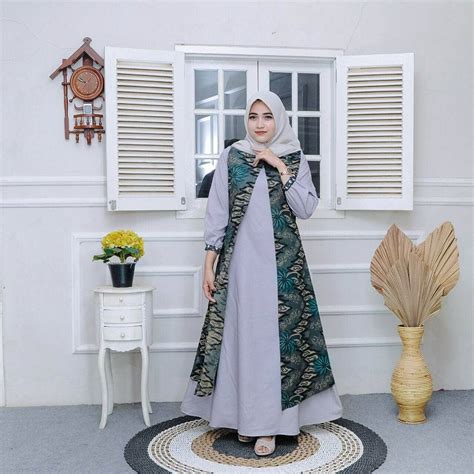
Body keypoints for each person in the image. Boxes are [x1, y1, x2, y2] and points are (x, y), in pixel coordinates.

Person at [180, 90, 343, 456]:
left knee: (274, 345)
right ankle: (245, 420)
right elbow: (217, 211)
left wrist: (279, 166)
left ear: (279, 120)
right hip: (238, 266)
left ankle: (269, 427)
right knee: (241, 340)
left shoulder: (294, 157)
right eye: (253, 116)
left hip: (283, 267)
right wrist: (209, 263)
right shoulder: (232, 156)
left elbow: (306, 208)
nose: (259, 124)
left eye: (267, 116)